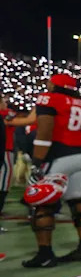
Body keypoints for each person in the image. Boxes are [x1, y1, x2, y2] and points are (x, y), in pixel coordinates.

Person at [17, 73, 81, 267]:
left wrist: (37, 162)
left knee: (43, 206)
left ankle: (45, 254)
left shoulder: (50, 98)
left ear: (55, 85)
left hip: (59, 156)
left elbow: (44, 131)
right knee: (80, 203)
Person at [0, 98, 17, 232]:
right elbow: (13, 116)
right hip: (5, 151)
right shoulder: (6, 113)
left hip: (6, 150)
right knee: (4, 185)